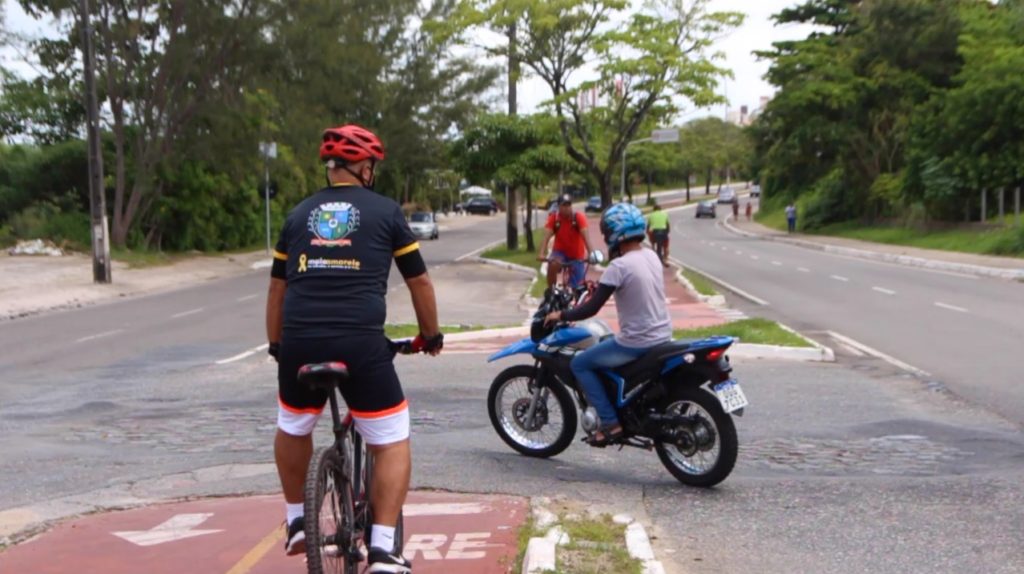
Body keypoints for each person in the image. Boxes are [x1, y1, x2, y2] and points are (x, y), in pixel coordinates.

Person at [266, 124, 442, 573]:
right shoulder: (386, 212)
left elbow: (277, 291)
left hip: (299, 340)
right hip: (360, 342)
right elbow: (418, 280)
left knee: (293, 424)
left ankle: (298, 521)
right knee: (390, 437)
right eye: (372, 166)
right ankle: (384, 549)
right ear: (363, 166)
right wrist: (431, 335)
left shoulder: (297, 214)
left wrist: (277, 346)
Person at [543, 203, 672, 446]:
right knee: (604, 343)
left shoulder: (619, 266)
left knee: (580, 363)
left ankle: (610, 423)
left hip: (636, 342)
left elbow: (591, 308)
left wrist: (561, 315)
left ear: (614, 233)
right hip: (662, 336)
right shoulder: (651, 256)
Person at [537, 194, 598, 289]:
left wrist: (592, 254)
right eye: (564, 205)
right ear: (559, 207)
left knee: (578, 287)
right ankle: (551, 291)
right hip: (559, 253)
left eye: (569, 205)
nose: (567, 208)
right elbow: (546, 238)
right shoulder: (554, 219)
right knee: (553, 264)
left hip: (576, 255)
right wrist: (541, 254)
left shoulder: (578, 218)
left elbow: (586, 238)